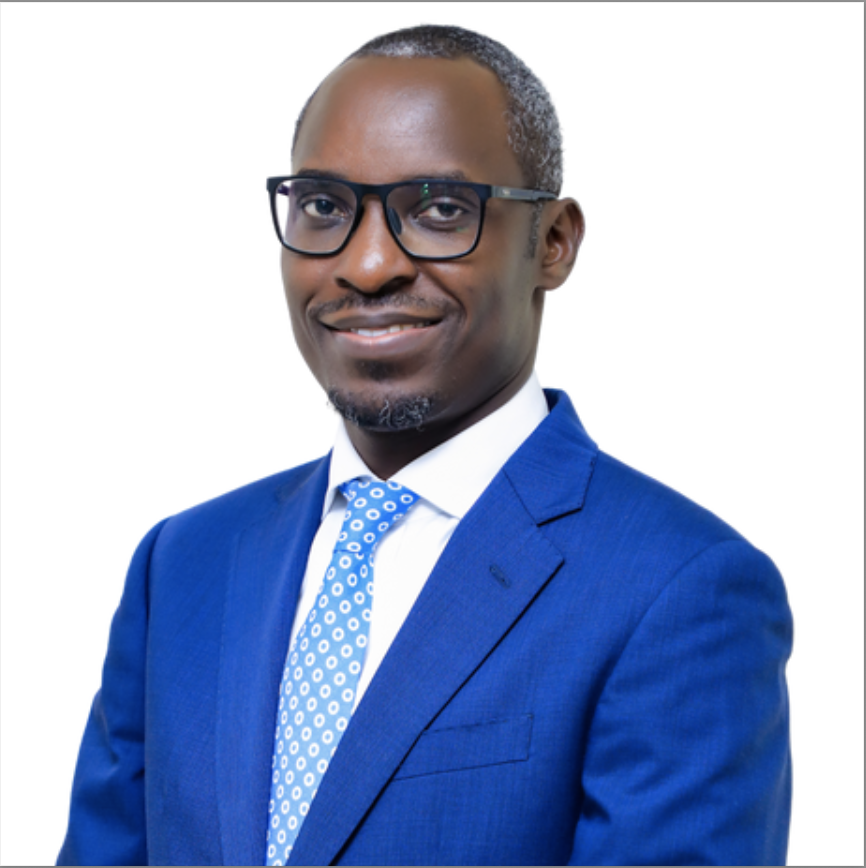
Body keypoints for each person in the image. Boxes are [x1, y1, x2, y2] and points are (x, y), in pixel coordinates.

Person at [58, 24, 793, 867]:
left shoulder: (679, 589)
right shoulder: (183, 562)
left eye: (440, 209)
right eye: (325, 207)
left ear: (551, 244)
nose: (368, 265)